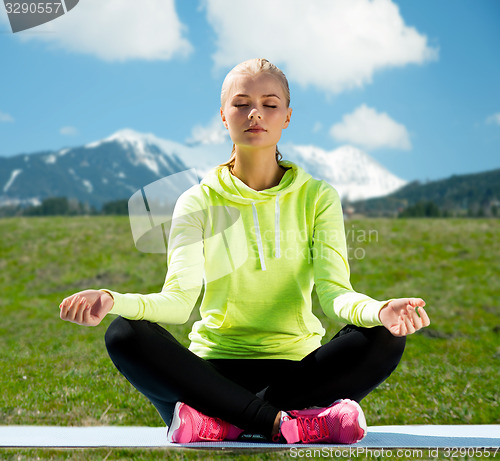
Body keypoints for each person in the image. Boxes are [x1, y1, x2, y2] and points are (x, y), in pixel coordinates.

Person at [59, 58, 430, 445]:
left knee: (385, 337)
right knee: (123, 333)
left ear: (287, 117)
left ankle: (224, 423)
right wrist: (110, 299)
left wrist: (380, 310)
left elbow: (335, 294)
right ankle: (292, 423)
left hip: (297, 372)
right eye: (241, 104)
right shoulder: (197, 201)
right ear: (223, 116)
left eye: (270, 104)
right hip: (210, 377)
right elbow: (178, 301)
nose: (255, 113)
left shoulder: (318, 197)